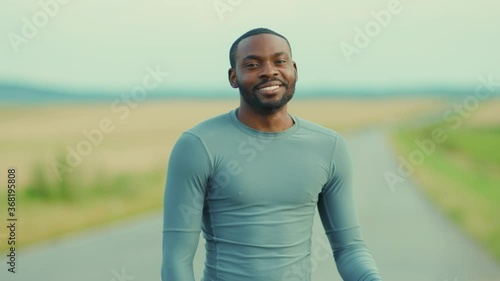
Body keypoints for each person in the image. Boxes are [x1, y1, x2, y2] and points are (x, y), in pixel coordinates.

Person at [161, 27, 383, 281]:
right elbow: (176, 259)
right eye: (253, 64)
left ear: (294, 70)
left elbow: (349, 248)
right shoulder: (198, 145)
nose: (269, 71)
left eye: (279, 61)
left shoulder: (329, 146)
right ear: (234, 77)